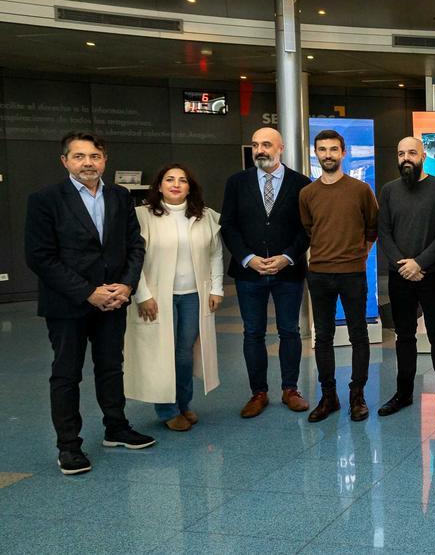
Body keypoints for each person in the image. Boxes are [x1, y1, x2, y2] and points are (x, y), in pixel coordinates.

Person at [25, 132, 155, 475]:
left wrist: (126, 286)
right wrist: (87, 292)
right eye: (79, 156)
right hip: (68, 305)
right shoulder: (45, 199)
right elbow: (40, 257)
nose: (88, 163)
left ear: (104, 160)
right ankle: (68, 446)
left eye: (95, 156)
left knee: (111, 367)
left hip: (114, 301)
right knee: (66, 374)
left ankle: (116, 428)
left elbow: (135, 246)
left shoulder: (120, 196)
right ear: (65, 161)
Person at [124, 164, 225, 432]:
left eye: (182, 180)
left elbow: (215, 253)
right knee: (162, 353)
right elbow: (134, 259)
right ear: (159, 186)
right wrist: (142, 294)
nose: (176, 184)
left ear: (190, 187)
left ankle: (183, 404)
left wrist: (216, 289)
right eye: (169, 179)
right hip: (158, 297)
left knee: (183, 354)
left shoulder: (205, 217)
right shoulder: (142, 216)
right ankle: (166, 410)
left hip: (193, 295)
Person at [220, 127, 312, 418]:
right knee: (253, 333)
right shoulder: (237, 182)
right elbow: (229, 226)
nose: (260, 150)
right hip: (250, 274)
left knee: (289, 330)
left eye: (267, 144)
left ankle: (290, 389)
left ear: (281, 148)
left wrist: (287, 257)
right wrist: (248, 258)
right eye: (256, 144)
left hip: (288, 272)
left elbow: (307, 229)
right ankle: (258, 392)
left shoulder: (301, 184)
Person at [300, 129, 380, 423]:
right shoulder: (307, 194)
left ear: (343, 152)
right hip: (319, 274)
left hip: (352, 275)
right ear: (316, 153)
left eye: (334, 149)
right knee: (323, 337)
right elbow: (309, 229)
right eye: (322, 150)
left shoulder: (360, 190)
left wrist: (359, 254)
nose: (328, 155)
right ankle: (328, 396)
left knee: (359, 335)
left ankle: (357, 396)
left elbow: (373, 227)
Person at [377, 137, 435, 420]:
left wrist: (419, 263)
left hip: (431, 275)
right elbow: (383, 232)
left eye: (412, 152)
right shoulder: (388, 191)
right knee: (404, 336)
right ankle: (403, 393)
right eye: (401, 153)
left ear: (423, 155)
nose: (406, 158)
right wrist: (403, 265)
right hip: (401, 276)